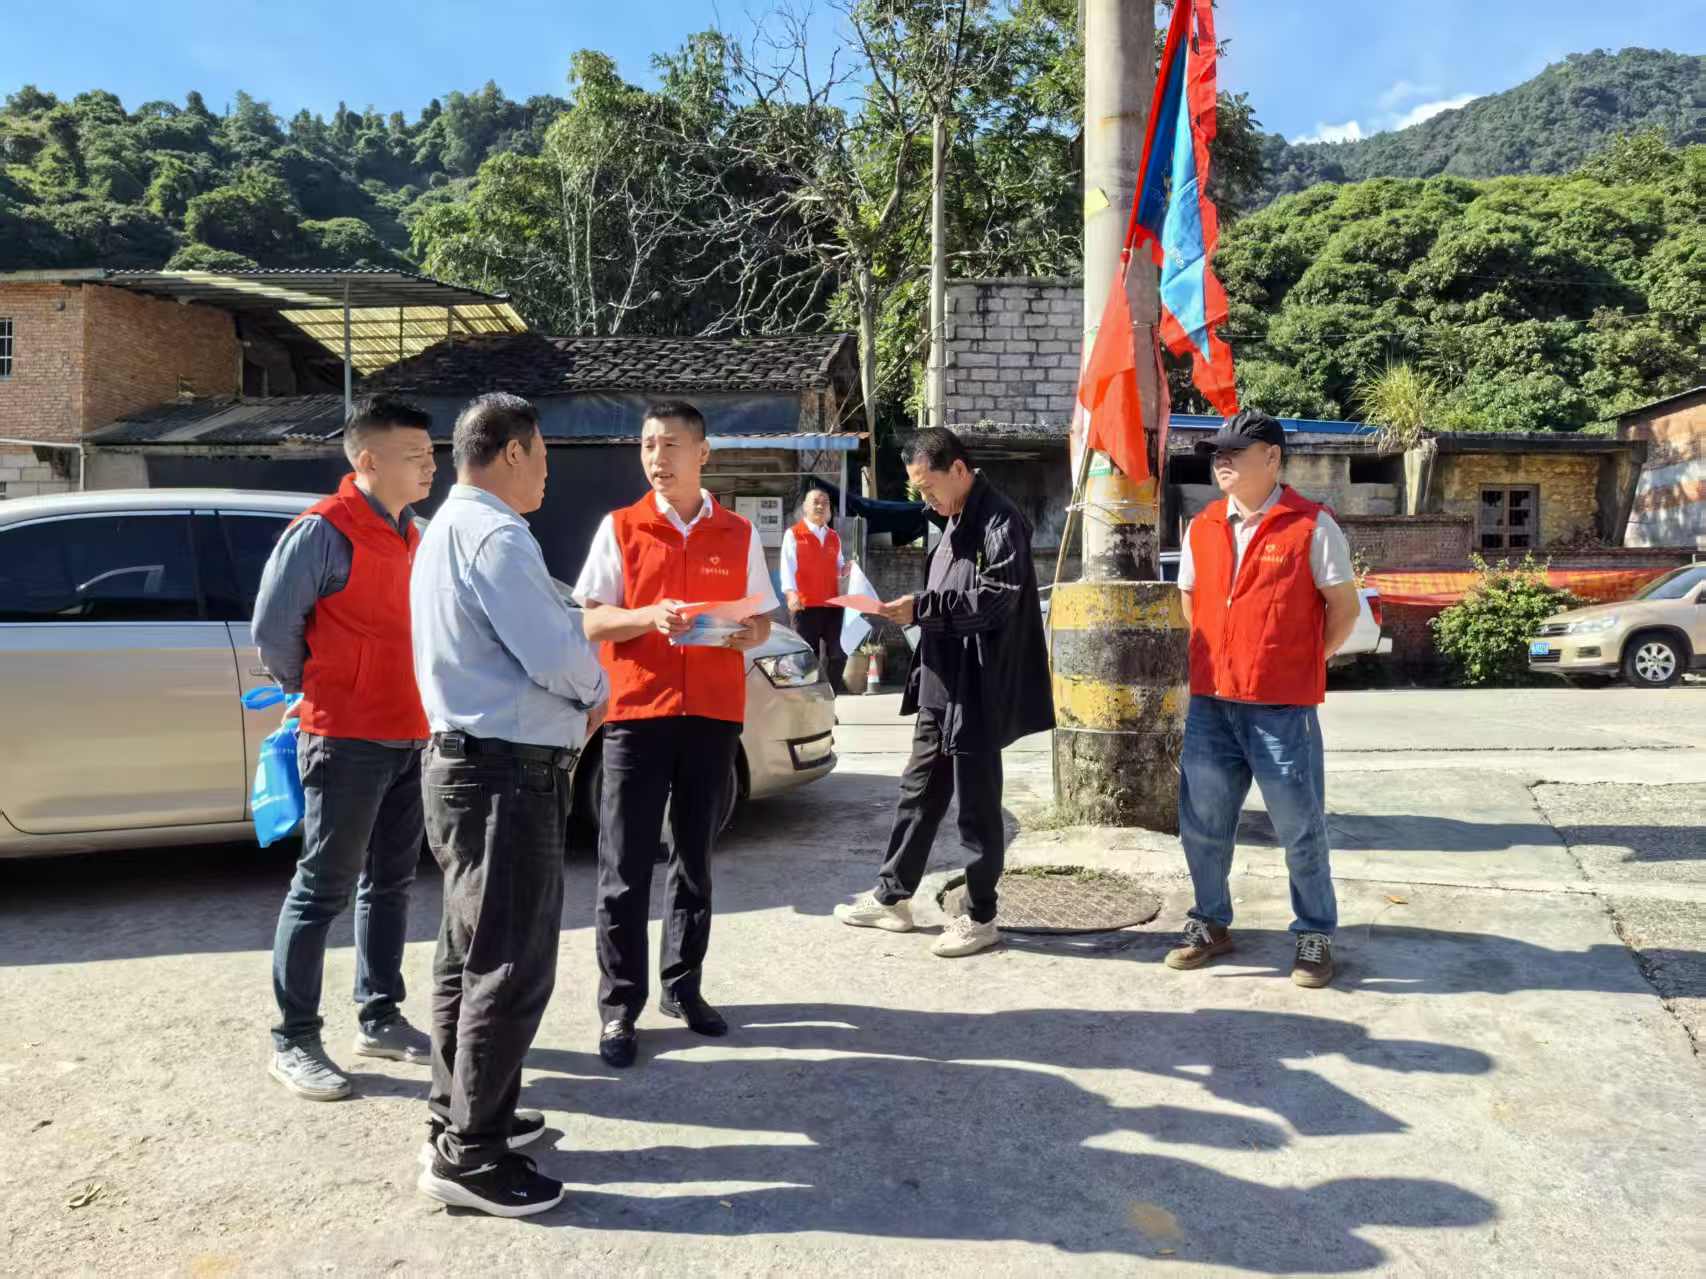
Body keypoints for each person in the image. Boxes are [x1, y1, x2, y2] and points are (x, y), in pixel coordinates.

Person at [410, 393, 608, 1218]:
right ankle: (472, 1154)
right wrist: (595, 690)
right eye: (545, 457)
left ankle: (460, 1113)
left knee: (467, 952)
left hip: (467, 768)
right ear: (515, 450)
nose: (547, 475)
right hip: (503, 778)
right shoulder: (495, 535)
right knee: (509, 963)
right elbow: (555, 650)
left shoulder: (444, 529)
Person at [573, 400, 778, 1068]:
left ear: (702, 453)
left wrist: (750, 633)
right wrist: (646, 616)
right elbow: (592, 621)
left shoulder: (737, 532)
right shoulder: (621, 527)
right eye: (647, 445)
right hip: (638, 715)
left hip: (713, 717)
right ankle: (619, 1007)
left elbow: (762, 620)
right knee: (625, 864)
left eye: (669, 444)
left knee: (695, 859)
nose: (656, 458)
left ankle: (682, 986)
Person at [254, 395, 437, 1102]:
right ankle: (294, 1038)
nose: (430, 465)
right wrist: (325, 688)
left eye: (431, 453)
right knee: (321, 889)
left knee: (390, 883)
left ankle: (379, 1015)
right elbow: (274, 632)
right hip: (345, 738)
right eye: (415, 455)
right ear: (368, 460)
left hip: (410, 734)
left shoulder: (414, 533)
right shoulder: (322, 532)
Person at [833, 427, 1053, 958]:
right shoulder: (951, 519)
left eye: (928, 487)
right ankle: (892, 898)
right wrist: (915, 610)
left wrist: (923, 609)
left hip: (977, 686)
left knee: (976, 806)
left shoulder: (999, 520)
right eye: (919, 490)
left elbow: (997, 599)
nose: (926, 499)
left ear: (958, 469)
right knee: (918, 793)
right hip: (940, 681)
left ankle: (980, 916)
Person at [1164, 407, 1361, 989]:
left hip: (1281, 710)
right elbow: (1191, 602)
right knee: (1202, 825)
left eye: (1234, 452)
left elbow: (1344, 609)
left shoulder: (1311, 526)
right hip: (1211, 705)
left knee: (1299, 828)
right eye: (1216, 454)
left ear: (1272, 458)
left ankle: (1314, 932)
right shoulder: (1202, 526)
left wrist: (1300, 664)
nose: (1221, 462)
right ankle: (1209, 921)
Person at [780, 488, 849, 693]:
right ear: (805, 507)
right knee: (806, 658)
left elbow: (839, 566)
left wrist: (846, 569)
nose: (821, 506)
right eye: (816, 502)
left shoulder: (833, 537)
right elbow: (787, 566)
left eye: (825, 503)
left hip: (833, 605)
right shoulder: (794, 534)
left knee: (839, 654)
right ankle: (807, 698)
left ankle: (828, 696)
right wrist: (791, 593)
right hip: (804, 605)